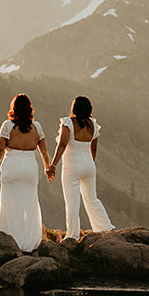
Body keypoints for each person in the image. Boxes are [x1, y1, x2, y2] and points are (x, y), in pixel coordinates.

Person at [48, 95, 114, 242]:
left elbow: (62, 145)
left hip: (72, 166)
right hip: (89, 165)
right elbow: (94, 148)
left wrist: (53, 165)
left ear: (74, 108)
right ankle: (106, 227)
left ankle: (72, 235)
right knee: (92, 198)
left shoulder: (68, 123)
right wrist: (90, 163)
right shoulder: (94, 126)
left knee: (72, 202)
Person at [0, 93, 52, 252]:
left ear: (14, 109)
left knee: (10, 203)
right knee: (30, 203)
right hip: (30, 167)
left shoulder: (7, 126)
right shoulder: (37, 127)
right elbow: (44, 150)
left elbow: (0, 149)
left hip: (12, 166)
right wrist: (48, 168)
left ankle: (11, 239)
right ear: (29, 109)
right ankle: (30, 242)